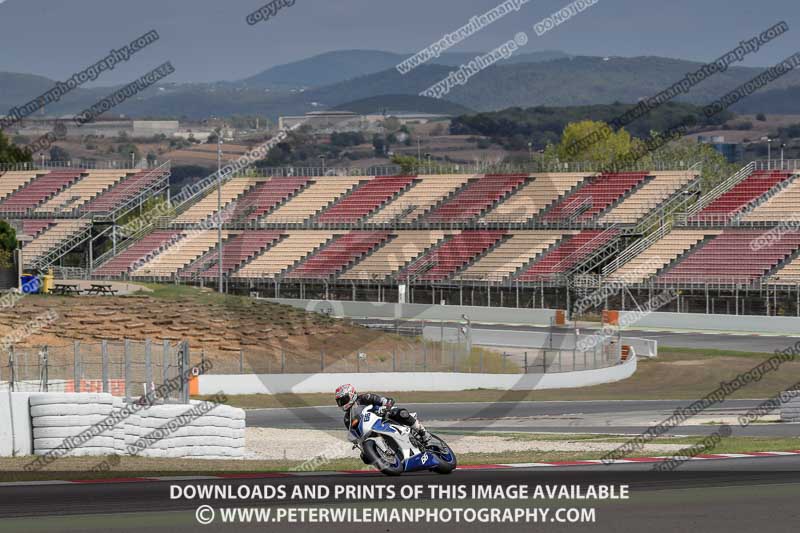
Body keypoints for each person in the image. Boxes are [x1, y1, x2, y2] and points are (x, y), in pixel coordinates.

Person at [335, 384, 430, 445]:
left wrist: (385, 406)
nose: (342, 403)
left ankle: (423, 432)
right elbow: (354, 432)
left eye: (343, 400)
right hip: (370, 430)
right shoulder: (347, 419)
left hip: (383, 416)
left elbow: (383, 400)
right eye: (339, 401)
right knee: (365, 458)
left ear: (351, 395)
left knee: (401, 413)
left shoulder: (364, 398)